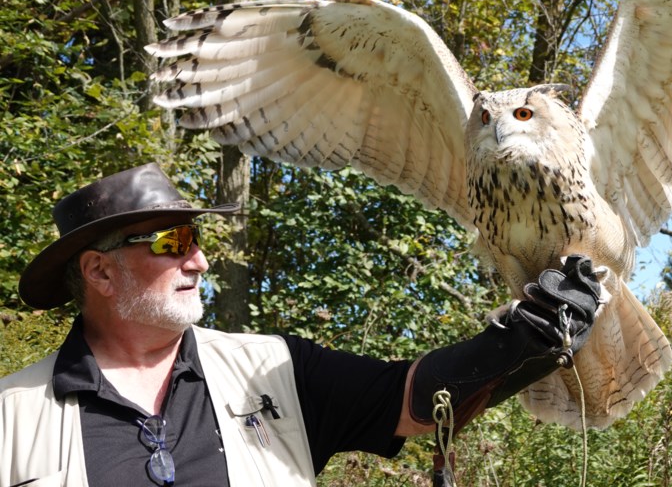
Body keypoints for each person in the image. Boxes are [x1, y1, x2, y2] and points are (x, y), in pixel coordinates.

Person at [0, 162, 602, 486]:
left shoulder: (271, 370)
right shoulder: (12, 415)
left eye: (197, 237)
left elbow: (409, 400)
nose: (199, 259)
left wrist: (525, 336)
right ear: (100, 273)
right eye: (171, 241)